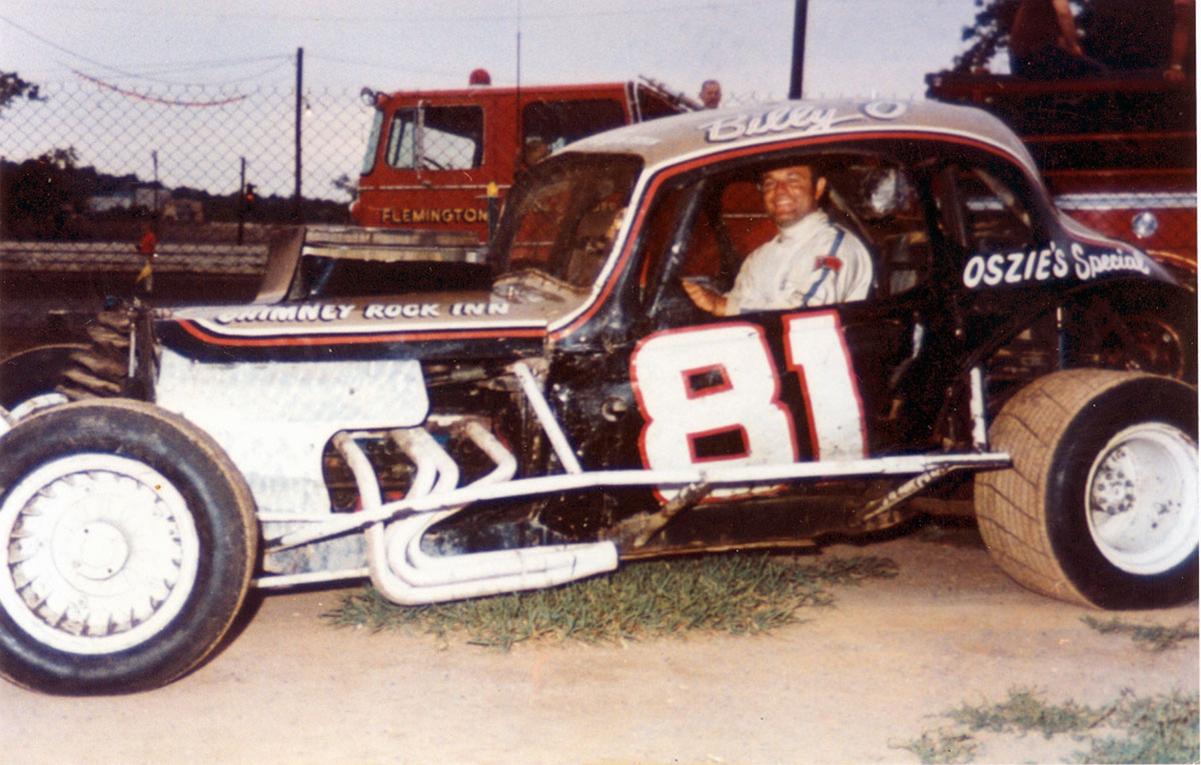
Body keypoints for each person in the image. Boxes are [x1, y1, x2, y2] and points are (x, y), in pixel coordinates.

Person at [683, 164, 873, 316]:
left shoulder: (835, 246)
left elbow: (808, 314)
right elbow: (734, 310)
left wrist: (722, 306)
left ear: (818, 188)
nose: (780, 191)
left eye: (793, 180)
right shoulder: (758, 258)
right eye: (770, 183)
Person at [1009, 0, 1105, 79]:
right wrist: (1074, 46)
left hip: (1019, 60)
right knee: (1097, 72)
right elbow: (1064, 14)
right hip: (1035, 56)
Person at [134, 220, 158, 298]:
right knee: (143, 272)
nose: (143, 229)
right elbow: (143, 246)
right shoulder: (143, 236)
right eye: (142, 227)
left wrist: (153, 257)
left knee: (148, 274)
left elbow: (153, 247)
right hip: (142, 256)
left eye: (144, 227)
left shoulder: (151, 236)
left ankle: (149, 289)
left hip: (147, 256)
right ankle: (145, 288)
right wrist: (139, 248)